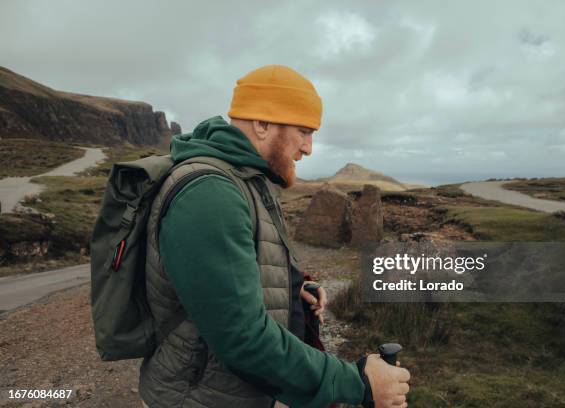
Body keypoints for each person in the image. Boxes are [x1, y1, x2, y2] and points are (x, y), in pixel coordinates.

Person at [138, 65, 410, 407]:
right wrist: (359, 382)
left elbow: (227, 281)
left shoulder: (246, 179)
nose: (309, 147)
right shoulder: (211, 194)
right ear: (262, 123)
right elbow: (243, 338)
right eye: (304, 131)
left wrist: (293, 290)